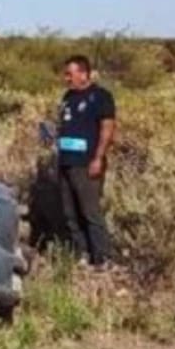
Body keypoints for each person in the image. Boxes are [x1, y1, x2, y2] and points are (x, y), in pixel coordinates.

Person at [55, 55, 116, 268]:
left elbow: (107, 128)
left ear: (84, 73)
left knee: (90, 212)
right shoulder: (68, 96)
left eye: (70, 74)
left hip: (87, 163)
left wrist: (98, 158)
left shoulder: (100, 97)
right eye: (66, 74)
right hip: (66, 162)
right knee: (70, 213)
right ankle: (83, 254)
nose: (66, 78)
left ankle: (103, 258)